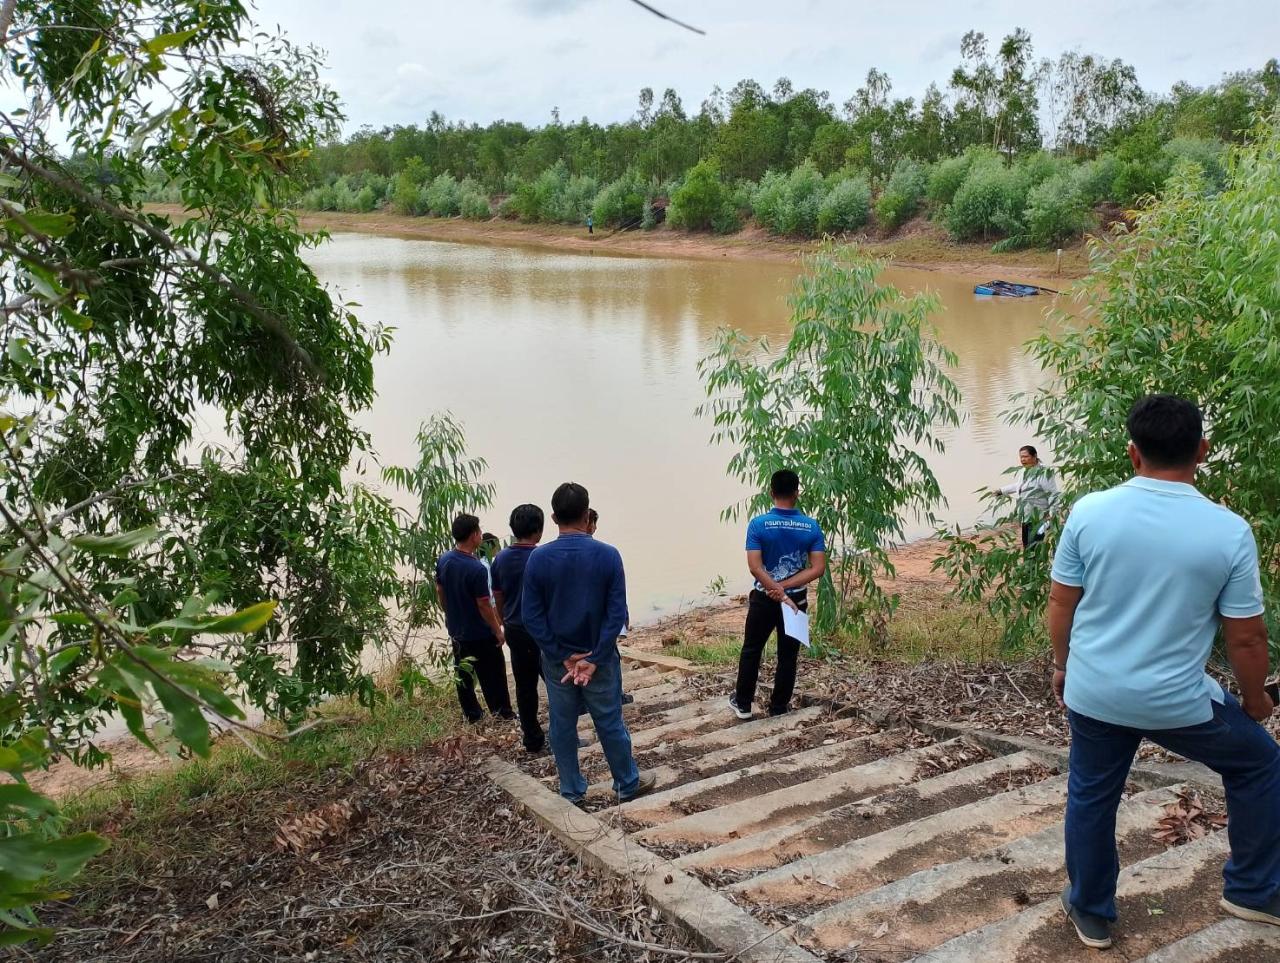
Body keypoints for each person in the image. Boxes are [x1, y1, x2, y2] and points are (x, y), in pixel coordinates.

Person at [1049, 394, 1280, 950]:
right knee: (1261, 765)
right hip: (1178, 702)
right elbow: (1245, 636)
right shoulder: (1228, 532)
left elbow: (1061, 604)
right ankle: (1252, 891)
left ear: (1132, 453)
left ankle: (1091, 912)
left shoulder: (1090, 511)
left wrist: (1063, 668)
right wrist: (1255, 701)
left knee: (1091, 793)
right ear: (1202, 450)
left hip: (1096, 690)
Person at [522, 482, 655, 803]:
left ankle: (571, 791)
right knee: (609, 719)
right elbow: (616, 613)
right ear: (586, 515)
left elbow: (531, 617)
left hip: (558, 663)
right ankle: (626, 782)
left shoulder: (538, 560)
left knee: (562, 723)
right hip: (601, 657)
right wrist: (594, 657)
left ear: (553, 517)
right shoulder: (608, 555)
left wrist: (563, 656)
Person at [731, 469, 826, 720]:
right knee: (787, 655)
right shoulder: (811, 526)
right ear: (797, 493)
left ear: (771, 492)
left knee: (752, 650)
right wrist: (786, 590)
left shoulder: (759, 524)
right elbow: (818, 568)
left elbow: (755, 566)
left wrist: (775, 589)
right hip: (797, 601)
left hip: (763, 599)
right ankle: (779, 707)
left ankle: (743, 704)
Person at [436, 514, 513, 723]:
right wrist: (497, 629)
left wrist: (448, 611)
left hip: (457, 630)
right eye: (479, 531)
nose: (480, 534)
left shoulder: (444, 560)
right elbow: (484, 604)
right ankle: (502, 711)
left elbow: (440, 590)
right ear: (474, 536)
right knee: (493, 673)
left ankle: (472, 714)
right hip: (479, 632)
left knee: (464, 675)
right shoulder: (476, 568)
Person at [491, 505, 547, 754]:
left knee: (525, 686)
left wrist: (504, 621)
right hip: (543, 629)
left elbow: (498, 596)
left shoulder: (500, 558)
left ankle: (532, 740)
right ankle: (566, 737)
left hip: (515, 627)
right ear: (539, 530)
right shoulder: (543, 556)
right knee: (557, 684)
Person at [585, 508, 633, 705]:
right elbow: (616, 595)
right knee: (610, 658)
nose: (595, 527)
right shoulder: (606, 553)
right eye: (594, 523)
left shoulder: (559, 554)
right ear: (587, 523)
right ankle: (616, 696)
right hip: (602, 620)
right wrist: (622, 619)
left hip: (581, 623)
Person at [998, 444, 1060, 548]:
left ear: (1035, 456)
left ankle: (1035, 563)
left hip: (1038, 516)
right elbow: (1019, 486)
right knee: (1026, 544)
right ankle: (1029, 563)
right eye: (1021, 457)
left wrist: (1052, 514)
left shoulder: (1043, 473)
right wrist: (1001, 491)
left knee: (1034, 545)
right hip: (1026, 515)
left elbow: (1052, 494)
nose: (1022, 460)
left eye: (1025, 457)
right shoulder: (1025, 470)